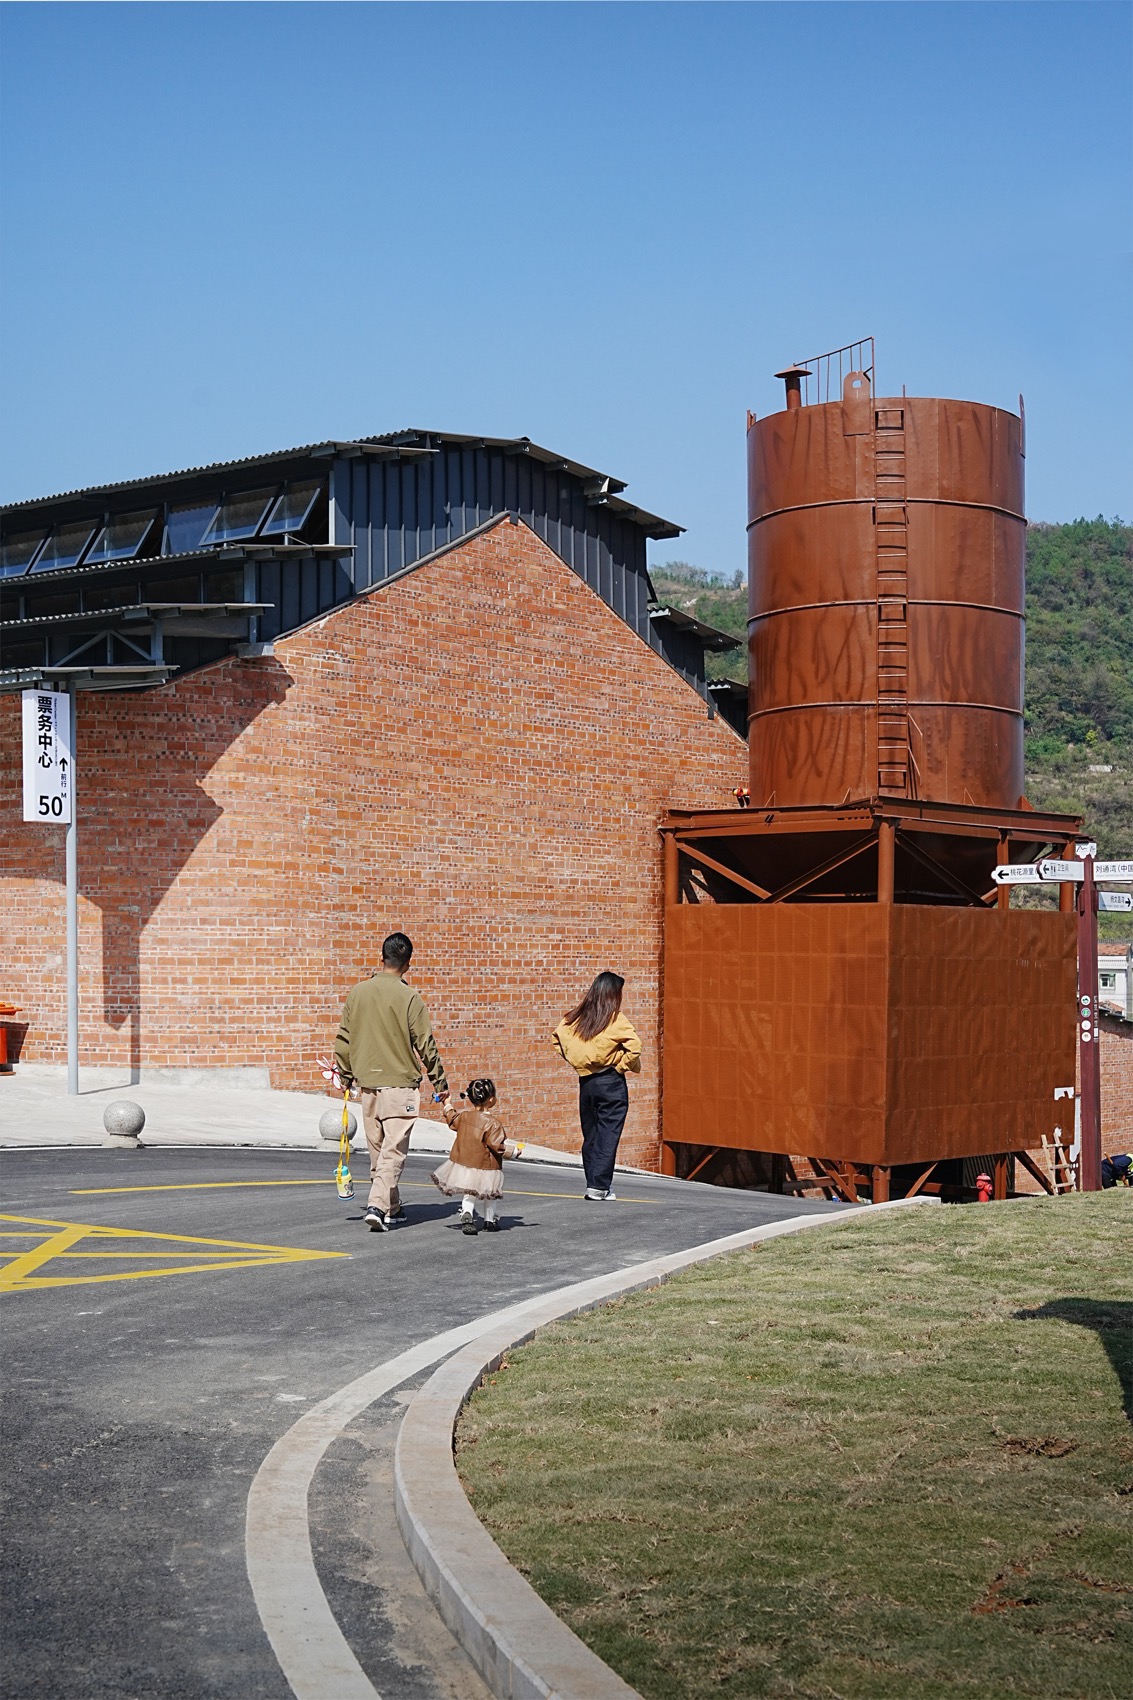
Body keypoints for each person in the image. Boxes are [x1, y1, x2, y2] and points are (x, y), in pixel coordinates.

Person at [334, 932, 450, 1232]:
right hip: (400, 1084)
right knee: (393, 1150)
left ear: (381, 958)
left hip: (368, 1083)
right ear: (408, 965)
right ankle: (377, 1205)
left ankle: (393, 1206)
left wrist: (344, 1074)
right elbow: (425, 1043)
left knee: (379, 1149)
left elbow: (344, 1040)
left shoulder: (358, 993)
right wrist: (440, 1082)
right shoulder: (410, 997)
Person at [553, 971, 641, 1201]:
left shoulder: (575, 1018)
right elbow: (635, 1047)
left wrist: (577, 1062)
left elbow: (557, 1039)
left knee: (591, 1134)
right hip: (610, 1081)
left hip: (586, 1083)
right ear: (613, 994)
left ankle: (593, 1183)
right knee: (608, 1134)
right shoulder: (614, 1018)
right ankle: (599, 1187)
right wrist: (620, 1066)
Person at [432, 1078, 523, 1234]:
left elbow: (452, 1119)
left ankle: (467, 1212)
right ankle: (490, 1220)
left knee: (471, 1192)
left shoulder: (465, 1117)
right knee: (490, 1194)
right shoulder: (493, 1124)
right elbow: (497, 1146)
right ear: (492, 1099)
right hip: (487, 1166)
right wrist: (513, 1152)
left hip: (467, 1164)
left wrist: (447, 1103)